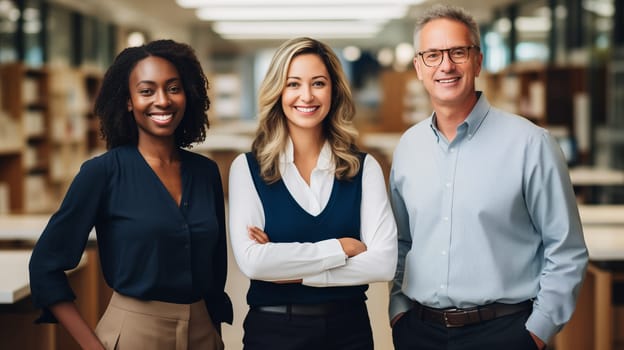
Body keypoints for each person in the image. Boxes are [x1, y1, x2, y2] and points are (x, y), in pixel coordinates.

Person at [389, 4, 588, 350]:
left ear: (478, 61)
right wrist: (397, 310)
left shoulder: (531, 144)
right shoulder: (408, 147)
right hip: (419, 333)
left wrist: (536, 332)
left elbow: (566, 250)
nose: (446, 66)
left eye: (458, 52)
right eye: (433, 55)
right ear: (419, 68)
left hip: (504, 334)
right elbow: (401, 243)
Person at [28, 39, 232, 349]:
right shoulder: (103, 173)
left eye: (173, 88)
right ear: (127, 101)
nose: (162, 100)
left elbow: (216, 269)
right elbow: (45, 265)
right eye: (147, 91)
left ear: (187, 95)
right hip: (135, 332)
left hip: (204, 332)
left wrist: (214, 335)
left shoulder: (205, 172)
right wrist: (92, 346)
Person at [228, 37, 397, 350]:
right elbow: (254, 263)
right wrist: (339, 248)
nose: (306, 95)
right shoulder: (248, 168)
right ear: (278, 90)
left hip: (350, 331)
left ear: (333, 90)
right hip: (273, 331)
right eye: (293, 84)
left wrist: (293, 271)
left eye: (318, 83)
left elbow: (383, 263)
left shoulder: (364, 167)